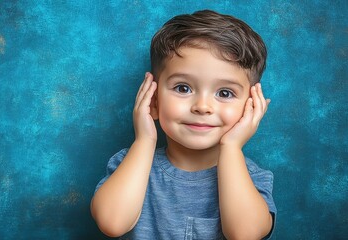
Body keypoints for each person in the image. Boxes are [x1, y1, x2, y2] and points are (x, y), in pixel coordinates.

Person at [91, 9, 276, 240]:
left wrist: (231, 147)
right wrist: (145, 140)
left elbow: (245, 234)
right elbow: (112, 223)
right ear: (154, 99)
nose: (202, 106)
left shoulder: (252, 177)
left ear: (250, 107)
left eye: (225, 93)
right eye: (183, 88)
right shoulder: (130, 164)